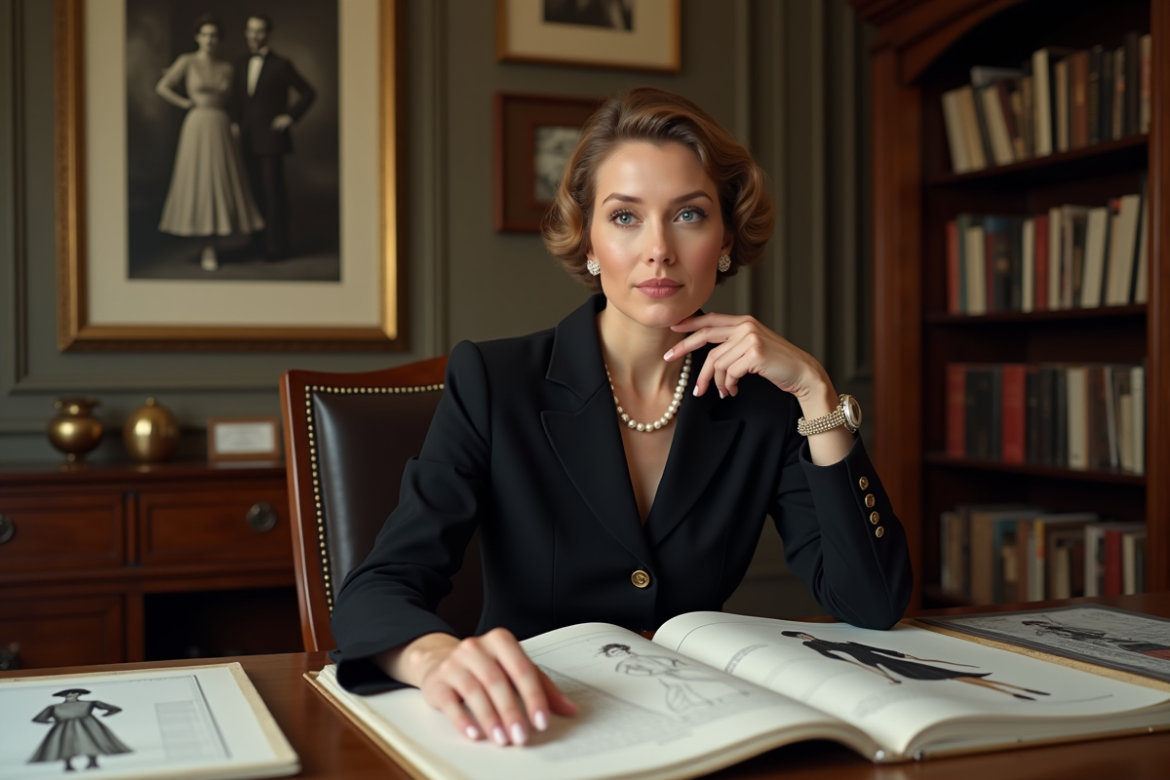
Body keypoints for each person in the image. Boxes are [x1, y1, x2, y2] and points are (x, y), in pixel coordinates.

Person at [331, 87, 913, 748]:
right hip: (535, 730)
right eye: (626, 217)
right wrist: (433, 655)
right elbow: (376, 589)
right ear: (588, 242)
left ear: (724, 240)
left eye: (689, 214)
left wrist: (815, 394)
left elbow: (871, 602)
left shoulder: (766, 402)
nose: (658, 249)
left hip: (704, 732)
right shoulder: (494, 382)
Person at [156, 15, 265, 272]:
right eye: (204, 34)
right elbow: (163, 86)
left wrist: (237, 124)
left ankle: (215, 244)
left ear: (219, 39)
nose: (209, 39)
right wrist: (186, 103)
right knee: (201, 182)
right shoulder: (187, 61)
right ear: (197, 37)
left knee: (220, 182)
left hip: (222, 126)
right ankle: (207, 248)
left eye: (214, 35)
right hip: (197, 125)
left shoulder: (227, 68)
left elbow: (237, 100)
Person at [231, 14, 316, 261]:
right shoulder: (239, 63)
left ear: (268, 34)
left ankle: (276, 248)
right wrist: (235, 122)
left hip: (271, 139)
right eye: (250, 30)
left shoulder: (281, 64)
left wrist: (290, 116)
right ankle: (256, 244)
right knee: (253, 193)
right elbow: (236, 99)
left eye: (259, 31)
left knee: (273, 193)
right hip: (246, 139)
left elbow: (309, 92)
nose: (254, 36)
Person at [780, 631, 1051, 700]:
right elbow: (850, 659)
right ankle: (1013, 692)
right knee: (954, 679)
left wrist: (907, 656)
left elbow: (867, 649)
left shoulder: (827, 638)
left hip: (892, 659)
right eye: (801, 637)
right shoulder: (818, 647)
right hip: (888, 666)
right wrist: (883, 674)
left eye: (802, 635)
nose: (804, 636)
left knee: (956, 674)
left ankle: (1015, 689)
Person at [29, 689, 132, 772]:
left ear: (79, 694)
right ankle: (68, 765)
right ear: (63, 695)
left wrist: (108, 714)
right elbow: (39, 718)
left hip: (88, 726)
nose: (70, 694)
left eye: (73, 692)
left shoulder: (90, 703)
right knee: (66, 744)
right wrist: (50, 723)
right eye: (66, 693)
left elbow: (115, 708)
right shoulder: (54, 707)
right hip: (64, 728)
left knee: (90, 742)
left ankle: (93, 762)